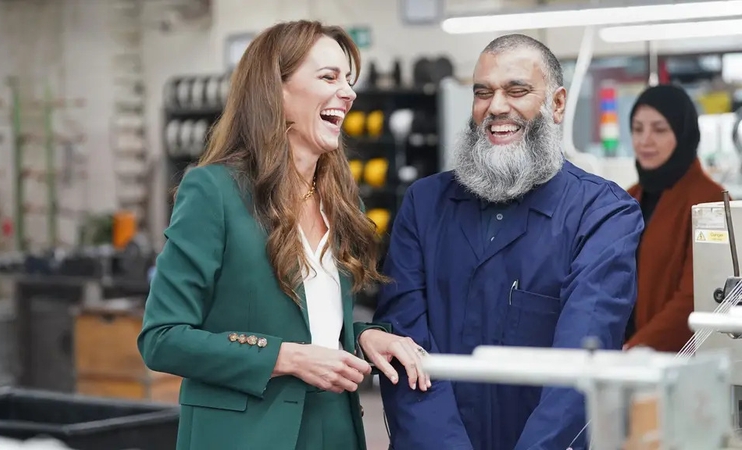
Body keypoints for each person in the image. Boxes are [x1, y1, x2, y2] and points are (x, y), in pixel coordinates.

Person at [137, 20, 425, 450]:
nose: (348, 92)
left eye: (348, 80)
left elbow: (315, 322)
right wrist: (284, 357)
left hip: (334, 429)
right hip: (244, 436)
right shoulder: (213, 191)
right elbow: (162, 339)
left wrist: (362, 336)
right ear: (277, 91)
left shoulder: (343, 202)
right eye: (328, 77)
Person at [358, 34, 645, 450]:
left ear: (558, 104)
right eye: (483, 92)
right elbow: (404, 347)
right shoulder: (425, 204)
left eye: (517, 90)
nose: (496, 107)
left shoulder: (603, 214)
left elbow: (582, 364)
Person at [623, 84, 725, 352]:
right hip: (620, 355)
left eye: (659, 129)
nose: (645, 140)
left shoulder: (712, 202)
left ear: (683, 133)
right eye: (637, 129)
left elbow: (696, 298)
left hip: (673, 361)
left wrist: (635, 350)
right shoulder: (626, 198)